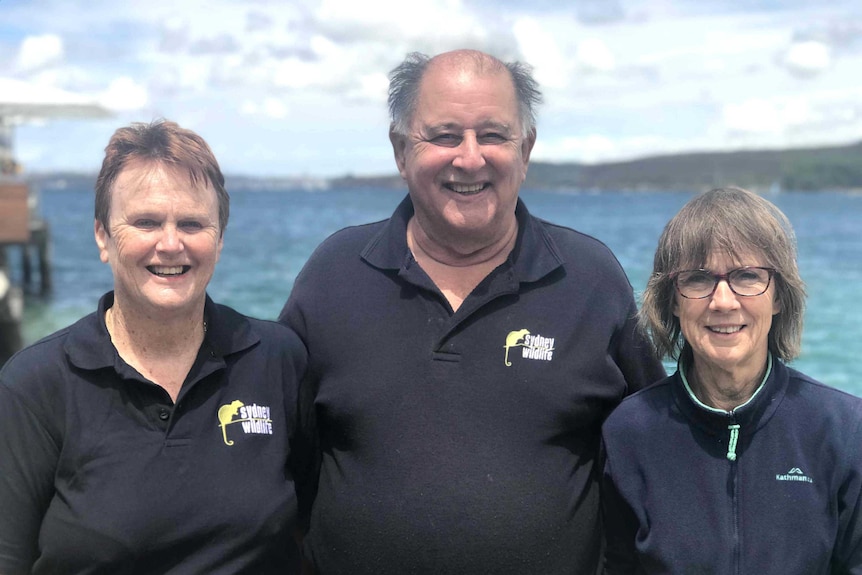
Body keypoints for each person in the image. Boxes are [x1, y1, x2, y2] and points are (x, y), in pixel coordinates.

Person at [279, 49, 665, 574]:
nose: (469, 158)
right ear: (400, 150)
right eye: (443, 135)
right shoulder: (333, 275)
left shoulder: (590, 278)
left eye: (492, 135)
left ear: (525, 149)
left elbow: (655, 455)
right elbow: (280, 460)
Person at [0, 119, 311, 574]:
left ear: (220, 239)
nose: (170, 243)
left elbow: (312, 526)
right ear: (103, 237)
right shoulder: (34, 385)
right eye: (146, 222)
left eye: (192, 223)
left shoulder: (276, 358)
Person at [601, 186, 862, 574]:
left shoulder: (843, 428)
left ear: (778, 297)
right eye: (698, 279)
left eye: (747, 276)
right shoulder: (629, 433)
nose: (723, 301)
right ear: (672, 300)